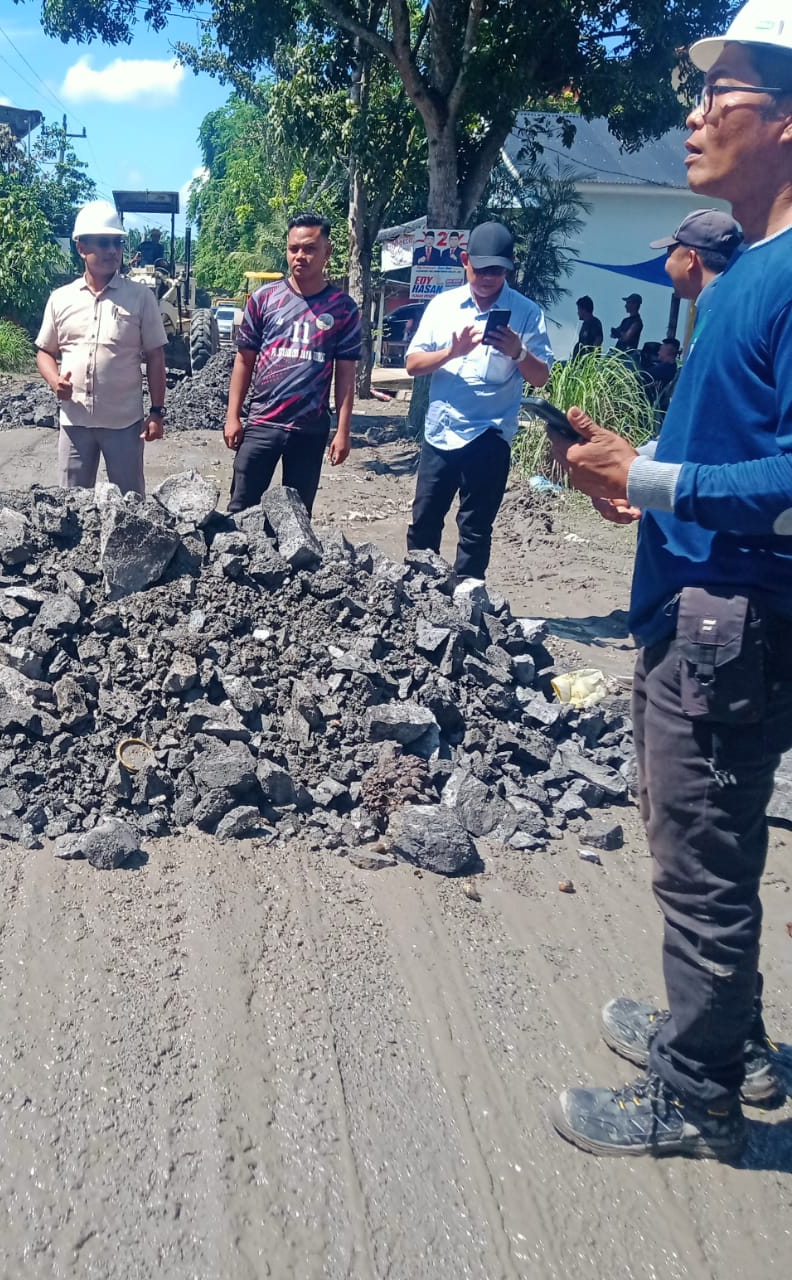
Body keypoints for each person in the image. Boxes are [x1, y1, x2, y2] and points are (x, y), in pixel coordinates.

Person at [549, 0, 792, 1161]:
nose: (693, 116)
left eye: (722, 95)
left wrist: (647, 480)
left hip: (728, 617)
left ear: (786, 121)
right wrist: (628, 480)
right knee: (704, 834)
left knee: (700, 858)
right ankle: (724, 1037)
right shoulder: (755, 272)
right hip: (704, 601)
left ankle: (695, 1098)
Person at [403, 220, 553, 580]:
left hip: (490, 435)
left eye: (498, 271)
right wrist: (452, 351)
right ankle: (419, 596)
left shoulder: (527, 312)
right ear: (465, 261)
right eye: (482, 269)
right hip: (442, 431)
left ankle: (467, 606)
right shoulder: (443, 306)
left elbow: (541, 377)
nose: (488, 278)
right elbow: (412, 365)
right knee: (424, 521)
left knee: (475, 530)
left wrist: (518, 351)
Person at [222, 213, 361, 515]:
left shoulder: (343, 309)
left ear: (327, 253)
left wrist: (343, 430)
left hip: (309, 430)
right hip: (261, 424)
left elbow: (346, 375)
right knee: (240, 510)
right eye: (293, 248)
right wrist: (233, 416)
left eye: (309, 248)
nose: (300, 256)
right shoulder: (263, 299)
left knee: (296, 517)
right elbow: (245, 360)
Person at [36, 201, 167, 497]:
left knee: (130, 504)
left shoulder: (140, 297)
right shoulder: (61, 299)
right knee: (71, 507)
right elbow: (45, 351)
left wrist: (157, 412)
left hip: (124, 424)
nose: (112, 251)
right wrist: (54, 380)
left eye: (117, 243)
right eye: (103, 243)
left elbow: (156, 357)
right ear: (81, 247)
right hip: (75, 424)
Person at [652, 208, 744, 305]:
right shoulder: (736, 300)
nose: (666, 266)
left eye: (670, 255)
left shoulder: (715, 309)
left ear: (691, 259)